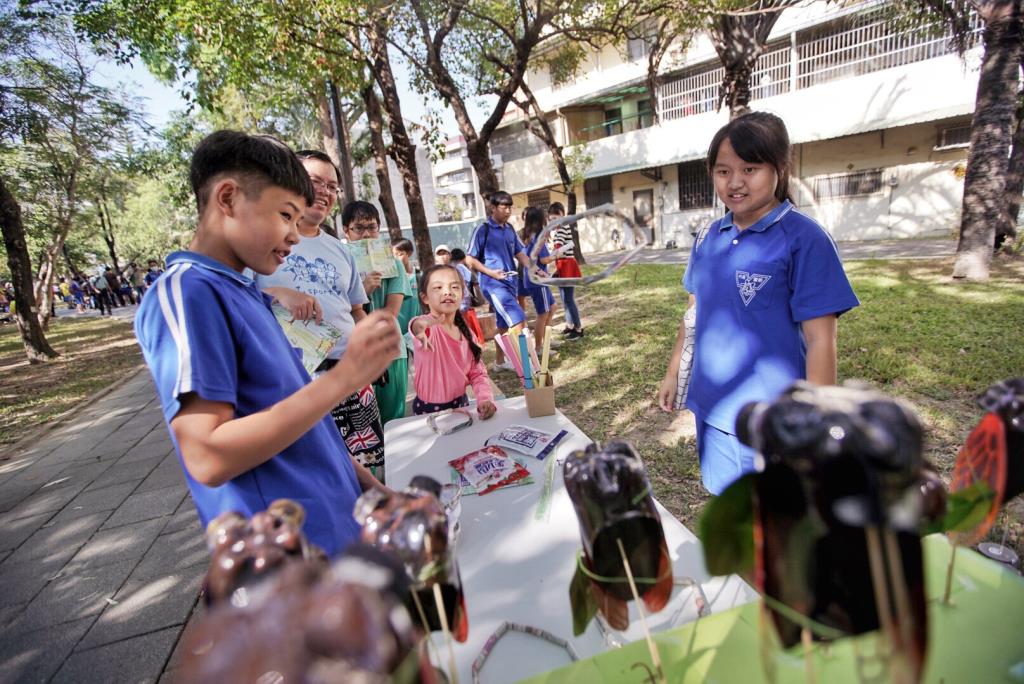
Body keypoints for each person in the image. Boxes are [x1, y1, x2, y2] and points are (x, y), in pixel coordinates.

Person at [134, 130, 400, 556]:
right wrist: (347, 376)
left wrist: (369, 488)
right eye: (285, 215)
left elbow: (301, 415)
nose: (295, 236)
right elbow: (208, 456)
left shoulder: (247, 293)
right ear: (227, 199)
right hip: (285, 563)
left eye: (298, 221)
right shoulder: (188, 294)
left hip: (335, 538)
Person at [657, 112, 859, 496]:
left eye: (750, 168)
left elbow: (821, 341)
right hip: (712, 407)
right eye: (722, 171)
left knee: (774, 520)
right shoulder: (708, 238)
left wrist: (814, 421)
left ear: (779, 169)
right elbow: (694, 314)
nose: (735, 182)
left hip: (773, 420)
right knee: (727, 505)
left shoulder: (804, 239)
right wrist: (672, 372)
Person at [252, 149, 390, 483]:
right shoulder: (261, 243)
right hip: (296, 380)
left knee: (371, 470)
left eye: (332, 186)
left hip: (351, 373)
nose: (325, 192)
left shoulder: (341, 249)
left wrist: (373, 350)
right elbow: (236, 299)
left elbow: (356, 308)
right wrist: (279, 293)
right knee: (321, 473)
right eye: (315, 182)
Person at [342, 201, 412, 424]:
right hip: (355, 354)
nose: (366, 234)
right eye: (358, 228)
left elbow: (391, 313)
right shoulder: (339, 264)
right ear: (346, 231)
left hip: (391, 351)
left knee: (393, 421)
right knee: (363, 424)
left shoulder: (395, 264)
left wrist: (358, 304)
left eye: (372, 227)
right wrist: (362, 290)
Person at [409, 264, 496, 419]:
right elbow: (417, 325)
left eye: (454, 287)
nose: (447, 292)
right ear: (425, 298)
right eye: (438, 287)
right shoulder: (428, 329)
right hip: (428, 412)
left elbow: (477, 373)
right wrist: (421, 326)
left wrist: (485, 399)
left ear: (462, 294)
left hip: (462, 406)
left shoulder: (467, 334)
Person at [464, 191, 536, 373]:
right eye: (504, 206)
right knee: (518, 319)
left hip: (511, 282)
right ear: (493, 208)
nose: (508, 210)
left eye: (510, 206)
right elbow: (469, 259)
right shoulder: (483, 230)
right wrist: (491, 273)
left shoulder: (510, 229)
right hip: (493, 284)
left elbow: (519, 253)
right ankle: (528, 368)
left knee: (503, 324)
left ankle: (499, 362)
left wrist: (533, 267)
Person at [519, 206, 558, 355]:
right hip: (537, 280)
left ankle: (546, 340)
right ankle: (539, 347)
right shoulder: (538, 237)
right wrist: (557, 255)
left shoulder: (530, 235)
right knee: (543, 313)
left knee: (552, 307)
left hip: (533, 279)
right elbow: (544, 259)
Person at [548, 202, 584, 340]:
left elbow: (559, 249)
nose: (554, 221)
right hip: (562, 266)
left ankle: (578, 329)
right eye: (551, 219)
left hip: (567, 266)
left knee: (568, 299)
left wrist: (551, 256)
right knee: (565, 299)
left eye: (556, 217)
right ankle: (569, 325)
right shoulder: (558, 230)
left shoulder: (563, 228)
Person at [450, 248, 484, 344]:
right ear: (463, 258)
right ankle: (467, 343)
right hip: (463, 304)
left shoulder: (447, 268)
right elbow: (475, 282)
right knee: (465, 326)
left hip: (451, 304)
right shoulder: (464, 269)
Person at [392, 238, 420, 341]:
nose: (396, 258)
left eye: (399, 254)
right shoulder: (392, 279)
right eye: (393, 255)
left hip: (416, 330)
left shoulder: (418, 276)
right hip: (398, 332)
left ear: (409, 253)